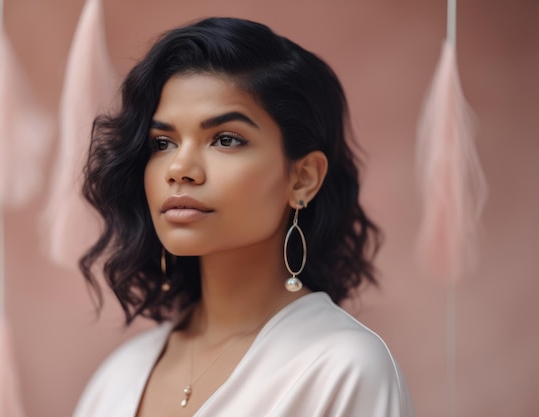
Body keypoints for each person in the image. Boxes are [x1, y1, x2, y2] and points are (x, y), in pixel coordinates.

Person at [73, 17, 415, 417]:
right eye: (162, 142)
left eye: (225, 139)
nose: (179, 168)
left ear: (303, 178)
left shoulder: (342, 369)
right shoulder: (117, 377)